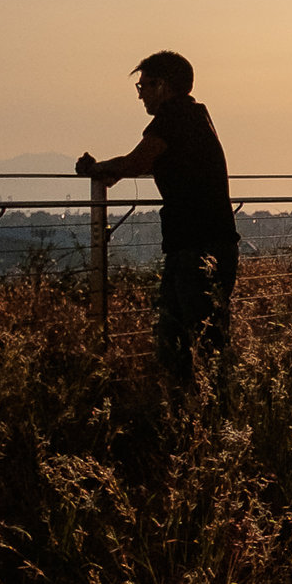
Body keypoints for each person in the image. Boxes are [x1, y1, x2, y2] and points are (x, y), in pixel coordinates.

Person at [75, 50, 239, 384]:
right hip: (209, 241)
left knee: (181, 338)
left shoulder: (173, 117)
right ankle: (207, 412)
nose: (140, 94)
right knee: (199, 336)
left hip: (195, 245)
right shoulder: (195, 117)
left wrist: (95, 169)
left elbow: (138, 160)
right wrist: (114, 171)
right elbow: (154, 159)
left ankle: (196, 414)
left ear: (163, 86)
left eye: (144, 85)